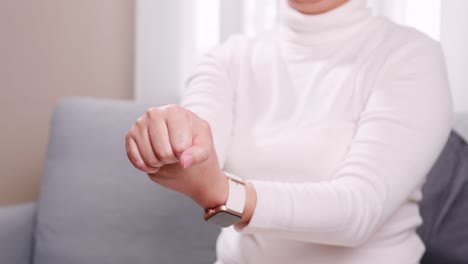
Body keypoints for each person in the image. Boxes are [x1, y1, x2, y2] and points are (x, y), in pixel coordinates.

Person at [125, 0, 453, 263]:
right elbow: (197, 151)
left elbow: (358, 212)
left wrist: (224, 195)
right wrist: (169, 135)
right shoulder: (227, 58)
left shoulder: (410, 55)